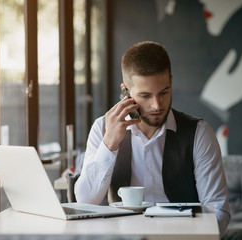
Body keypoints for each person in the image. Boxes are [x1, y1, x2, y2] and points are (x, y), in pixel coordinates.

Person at [74, 41, 230, 236]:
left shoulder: (199, 133)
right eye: (145, 95)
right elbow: (85, 201)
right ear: (125, 91)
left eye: (163, 92)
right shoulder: (102, 129)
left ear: (171, 82)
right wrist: (110, 144)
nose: (157, 105)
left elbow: (218, 211)